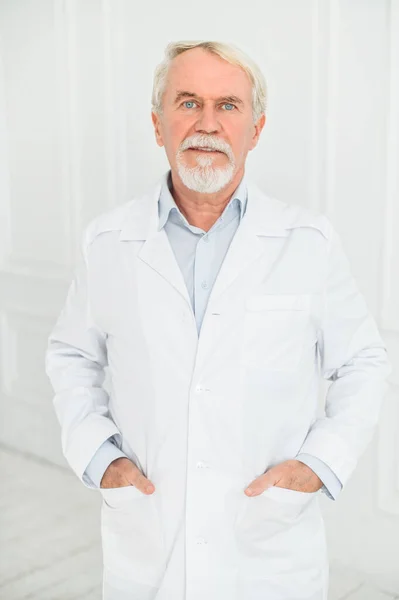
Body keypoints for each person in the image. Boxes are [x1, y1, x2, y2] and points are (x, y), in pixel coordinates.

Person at [45, 40, 391, 600]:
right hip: (149, 541)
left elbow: (364, 362)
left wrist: (319, 465)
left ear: (255, 129)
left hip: (269, 548)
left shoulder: (308, 241)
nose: (207, 123)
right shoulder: (107, 242)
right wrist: (98, 455)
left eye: (228, 106)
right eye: (188, 103)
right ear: (158, 125)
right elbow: (72, 356)